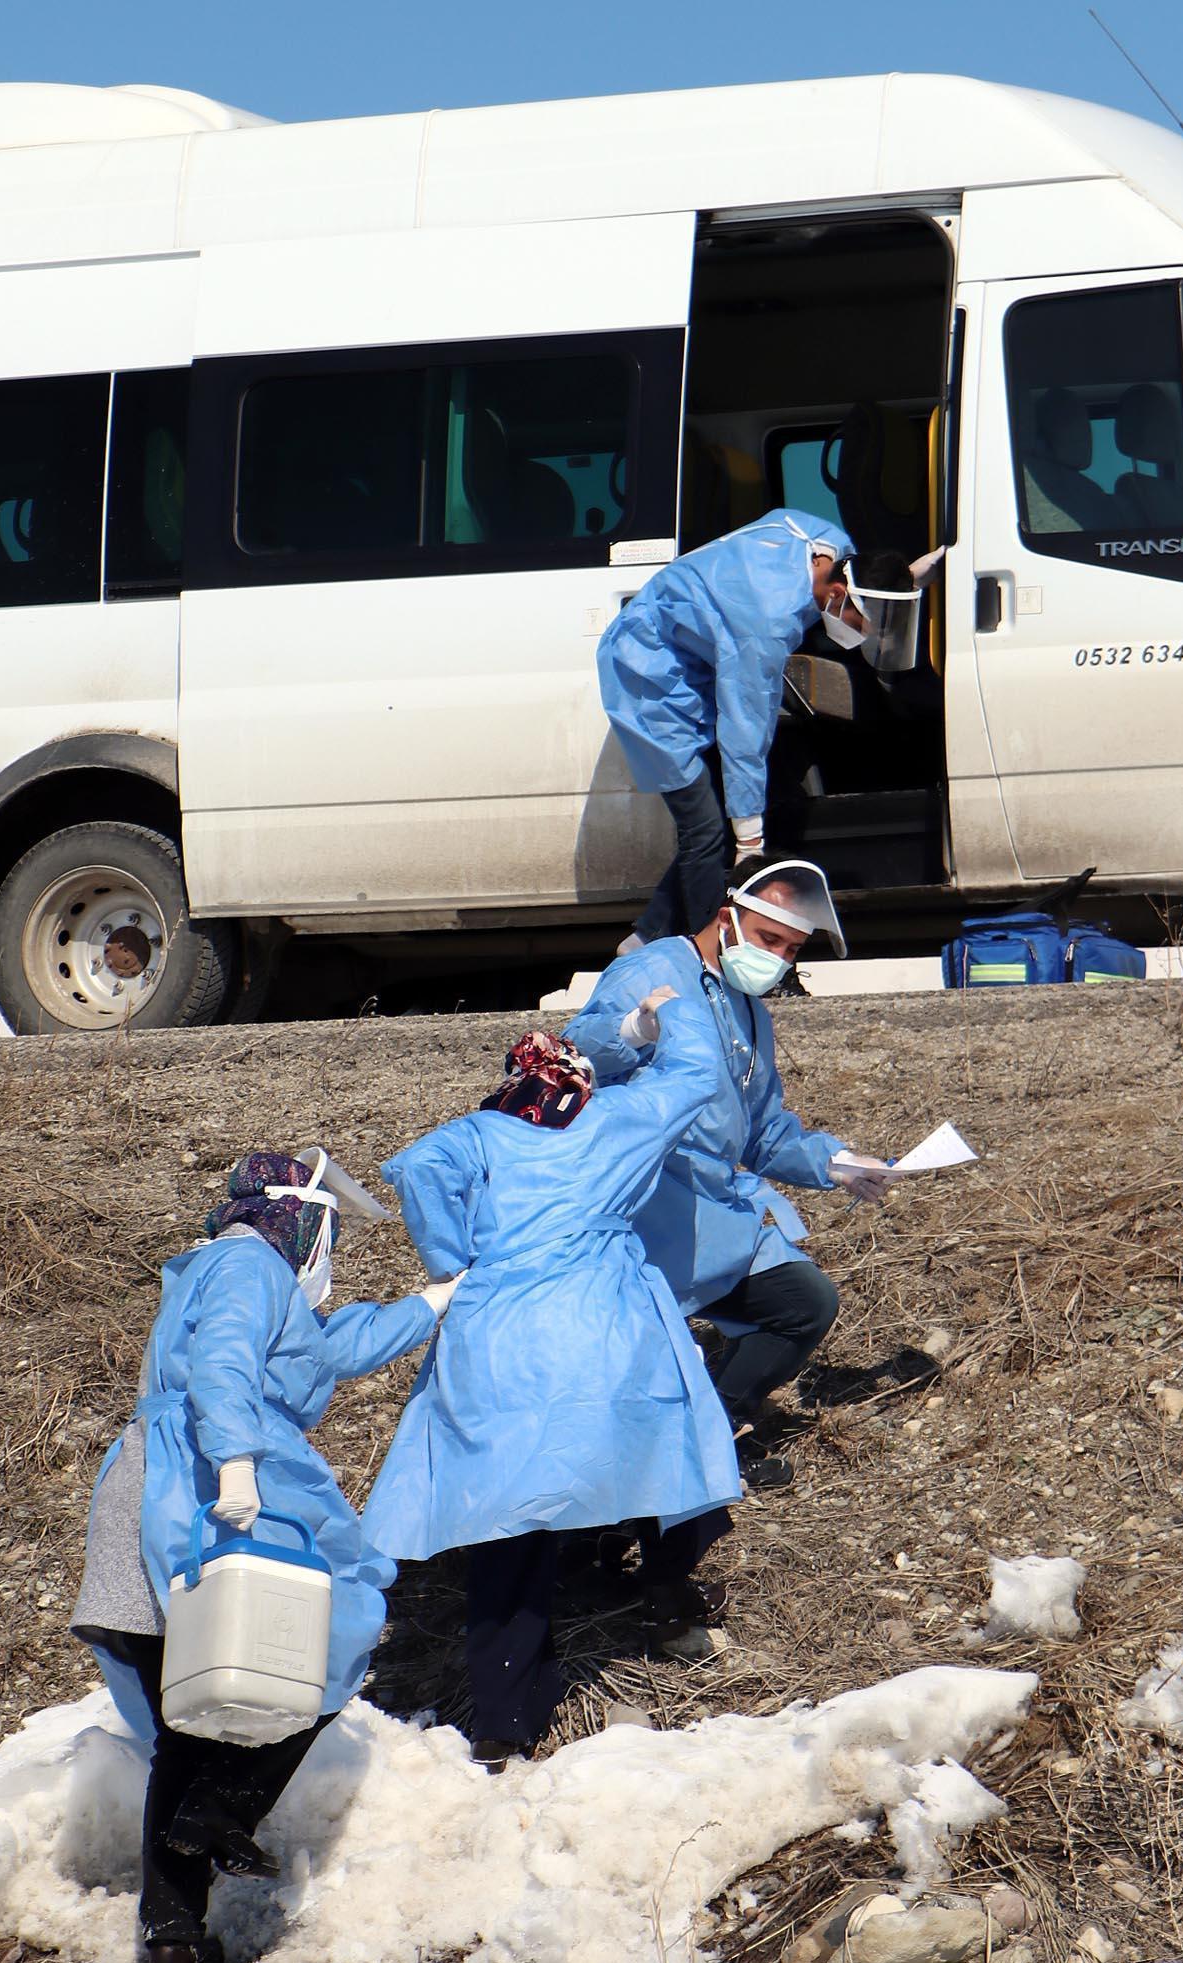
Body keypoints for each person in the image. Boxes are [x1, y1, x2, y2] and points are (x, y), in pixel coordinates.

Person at [71, 1148, 455, 1963]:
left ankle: (170, 1942)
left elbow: (320, 1350)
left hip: (165, 1479)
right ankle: (225, 1812)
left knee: (193, 1715)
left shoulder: (236, 1266)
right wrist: (238, 1462)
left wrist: (425, 1308)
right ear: (300, 1218)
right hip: (205, 1482)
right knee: (327, 1635)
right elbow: (228, 1367)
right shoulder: (248, 1261)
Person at [363, 1008, 741, 1768]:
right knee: (666, 1455)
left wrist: (451, 1261)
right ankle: (666, 1592)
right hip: (605, 1327)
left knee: (510, 1514)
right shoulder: (617, 1120)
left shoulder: (476, 1134)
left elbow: (416, 1169)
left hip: (500, 1332)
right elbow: (697, 1077)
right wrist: (658, 1024)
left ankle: (505, 1716)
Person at [565, 859, 900, 1486]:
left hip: (712, 1200)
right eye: (769, 940)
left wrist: (837, 1162)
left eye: (791, 949)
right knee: (637, 1349)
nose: (777, 958)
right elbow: (575, 1053)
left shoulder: (751, 1010)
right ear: (727, 919)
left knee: (804, 1304)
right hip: (641, 1199)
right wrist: (635, 1028)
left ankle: (710, 1436)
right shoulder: (653, 970)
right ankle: (661, 1470)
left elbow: (763, 1129)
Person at [598, 511, 917, 947]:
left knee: (712, 825)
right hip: (648, 675)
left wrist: (905, 578)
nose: (862, 635)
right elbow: (745, 734)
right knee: (706, 829)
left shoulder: (830, 543)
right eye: (863, 622)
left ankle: (645, 938)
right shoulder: (766, 624)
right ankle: (709, 952)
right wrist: (750, 839)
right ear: (839, 593)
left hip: (693, 662)